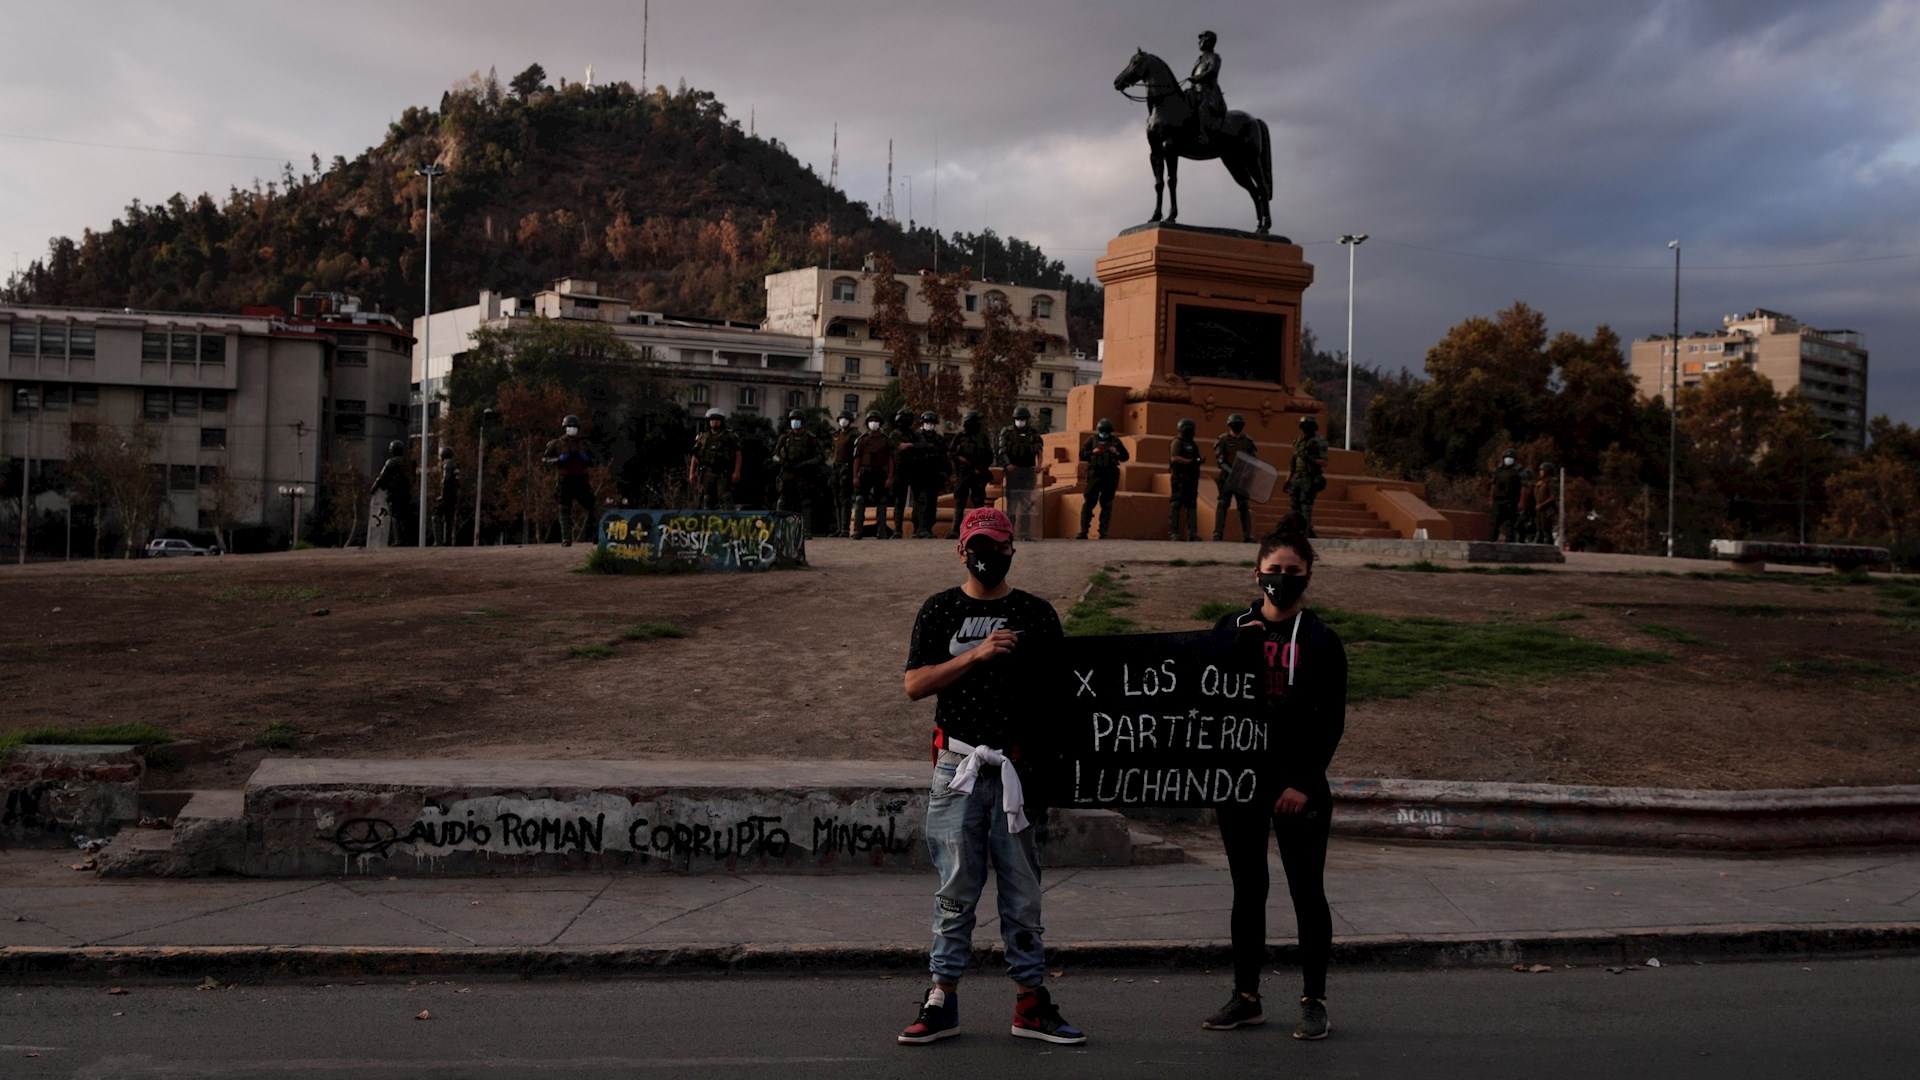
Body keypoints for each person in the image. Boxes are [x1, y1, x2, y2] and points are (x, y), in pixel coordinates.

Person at [899, 506, 1083, 1047]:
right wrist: (977, 655)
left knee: (1023, 893)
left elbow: (1065, 691)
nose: (987, 554)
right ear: (961, 550)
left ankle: (1030, 1001)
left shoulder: (1036, 613)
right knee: (955, 890)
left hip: (1019, 769)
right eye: (977, 544)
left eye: (997, 545)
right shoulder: (939, 610)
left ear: (1011, 550)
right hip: (957, 768)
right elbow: (914, 684)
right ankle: (941, 998)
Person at [1204, 526, 1347, 1041]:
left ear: (1307, 576)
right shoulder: (1230, 626)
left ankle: (1314, 1000)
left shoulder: (1320, 639)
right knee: (1248, 891)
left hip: (1298, 788)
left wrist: (1303, 782)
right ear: (1256, 571)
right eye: (1274, 569)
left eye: (1293, 572)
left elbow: (1330, 720)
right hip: (1241, 784)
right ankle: (1246, 997)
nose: (1281, 579)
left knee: (1307, 891)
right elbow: (1206, 703)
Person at [543, 414, 596, 545]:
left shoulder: (584, 444)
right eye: (569, 427)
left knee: (592, 506)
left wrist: (586, 458)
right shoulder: (556, 443)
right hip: (564, 479)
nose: (572, 429)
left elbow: (594, 461)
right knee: (564, 509)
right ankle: (566, 538)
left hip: (581, 479)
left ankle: (594, 535)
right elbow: (545, 460)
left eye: (574, 427)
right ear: (565, 428)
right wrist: (558, 460)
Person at [773, 409, 825, 536]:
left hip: (803, 474)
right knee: (783, 501)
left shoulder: (811, 438)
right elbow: (775, 454)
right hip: (787, 473)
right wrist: (780, 461)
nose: (794, 422)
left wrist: (806, 464)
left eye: (797, 420)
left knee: (805, 502)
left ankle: (806, 530)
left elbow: (819, 457)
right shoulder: (785, 438)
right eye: (792, 420)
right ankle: (780, 529)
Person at [998, 405, 1044, 542]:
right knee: (1011, 504)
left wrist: (1039, 465)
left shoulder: (1033, 433)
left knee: (1027, 504)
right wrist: (1007, 464)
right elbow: (1001, 451)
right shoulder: (1007, 432)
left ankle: (1024, 534)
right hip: (1013, 472)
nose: (1020, 421)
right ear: (1014, 419)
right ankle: (1009, 533)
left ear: (1027, 420)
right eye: (1018, 419)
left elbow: (1039, 451)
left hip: (1028, 471)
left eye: (1023, 419)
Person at [1077, 418, 1129, 539]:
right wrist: (1093, 452)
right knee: (1089, 502)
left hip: (1110, 475)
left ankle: (1103, 531)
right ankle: (1084, 530)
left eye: (1107, 432)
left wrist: (1116, 452)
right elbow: (1082, 455)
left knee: (1107, 504)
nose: (1104, 434)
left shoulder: (1115, 441)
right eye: (1103, 431)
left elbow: (1125, 456)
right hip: (1094, 474)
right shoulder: (1092, 440)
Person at [947, 410, 995, 536]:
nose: (979, 423)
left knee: (979, 501)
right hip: (963, 474)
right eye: (976, 421)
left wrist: (980, 468)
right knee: (960, 502)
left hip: (978, 473)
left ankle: (979, 529)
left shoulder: (983, 437)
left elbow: (990, 456)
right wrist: (959, 459)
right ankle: (955, 530)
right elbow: (951, 453)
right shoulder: (960, 437)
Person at [850, 410, 895, 539]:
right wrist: (855, 476)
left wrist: (890, 477)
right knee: (860, 500)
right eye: (871, 420)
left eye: (876, 421)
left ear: (880, 423)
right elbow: (857, 459)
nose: (873, 423)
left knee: (882, 501)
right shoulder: (862, 440)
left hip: (880, 472)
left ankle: (881, 531)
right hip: (865, 473)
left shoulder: (886, 440)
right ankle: (857, 530)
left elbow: (891, 460)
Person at [1213, 413, 1258, 542]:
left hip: (1242, 479)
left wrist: (1246, 473)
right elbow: (1220, 461)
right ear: (1229, 425)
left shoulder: (1247, 441)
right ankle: (1217, 534)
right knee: (1223, 505)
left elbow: (1253, 460)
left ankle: (1247, 535)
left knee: (1244, 506)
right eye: (1234, 424)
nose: (1236, 426)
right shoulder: (1223, 440)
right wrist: (1232, 472)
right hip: (1227, 478)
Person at [688, 408, 742, 511]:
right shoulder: (702, 437)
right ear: (708, 421)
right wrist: (692, 473)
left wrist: (737, 471)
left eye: (717, 419)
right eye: (712, 420)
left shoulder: (729, 436)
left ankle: (730, 522)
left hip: (723, 473)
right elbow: (695, 456)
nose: (714, 422)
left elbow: (738, 454)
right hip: (707, 472)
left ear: (722, 421)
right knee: (707, 499)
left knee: (726, 497)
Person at [1286, 416, 1330, 537]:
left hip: (1309, 477)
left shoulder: (1318, 442)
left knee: (1306, 505)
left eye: (1307, 426)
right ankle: (1296, 530)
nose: (1304, 428)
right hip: (1297, 477)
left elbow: (1324, 462)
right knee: (1294, 506)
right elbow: (1292, 463)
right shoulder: (1298, 441)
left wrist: (1311, 460)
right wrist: (1288, 480)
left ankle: (1305, 532)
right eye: (1303, 426)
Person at [912, 411, 953, 539]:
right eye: (927, 422)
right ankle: (919, 528)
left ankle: (928, 528)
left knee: (931, 503)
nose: (929, 425)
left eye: (931, 423)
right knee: (920, 502)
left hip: (934, 476)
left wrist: (948, 473)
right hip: (919, 475)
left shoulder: (939, 440)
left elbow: (945, 458)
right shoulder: (916, 437)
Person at [369, 439, 412, 547]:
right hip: (407, 492)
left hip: (395, 493)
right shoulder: (410, 461)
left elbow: (382, 477)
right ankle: (406, 539)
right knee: (406, 516)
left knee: (395, 516)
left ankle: (398, 540)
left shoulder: (391, 462)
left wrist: (374, 487)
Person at [1189, 30, 1227, 147]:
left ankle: (1204, 136)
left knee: (1202, 109)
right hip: (1196, 91)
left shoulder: (1214, 57)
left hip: (1209, 91)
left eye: (1201, 39)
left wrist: (1198, 78)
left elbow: (1212, 72)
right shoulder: (1199, 60)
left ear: (1208, 42)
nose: (1199, 42)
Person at [1168, 417, 1203, 541]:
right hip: (1179, 478)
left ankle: (1193, 533)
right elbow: (1175, 458)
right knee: (1176, 504)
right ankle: (1174, 532)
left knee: (1192, 506)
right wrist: (1190, 462)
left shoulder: (1193, 445)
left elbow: (1197, 459)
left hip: (1191, 479)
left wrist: (1197, 461)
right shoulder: (1177, 442)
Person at [888, 409, 919, 539]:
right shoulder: (894, 434)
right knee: (899, 501)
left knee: (917, 501)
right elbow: (893, 448)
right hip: (899, 471)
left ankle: (918, 529)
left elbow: (922, 444)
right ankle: (898, 529)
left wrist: (909, 445)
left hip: (913, 470)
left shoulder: (914, 434)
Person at [830, 410, 859, 537]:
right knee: (837, 499)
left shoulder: (854, 435)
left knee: (845, 498)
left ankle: (845, 529)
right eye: (841, 418)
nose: (843, 421)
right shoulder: (836, 435)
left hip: (847, 468)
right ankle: (839, 527)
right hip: (836, 468)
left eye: (845, 419)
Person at [1489, 448, 1524, 542]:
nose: (1508, 459)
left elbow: (1523, 487)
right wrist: (1491, 498)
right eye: (1507, 457)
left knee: (1510, 524)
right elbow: (1493, 484)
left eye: (1511, 457)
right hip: (1498, 499)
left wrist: (1521, 501)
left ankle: (1509, 544)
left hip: (1511, 500)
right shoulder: (1498, 470)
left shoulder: (1519, 471)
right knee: (1494, 523)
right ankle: (1491, 542)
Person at [433, 445, 460, 547]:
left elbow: (446, 481)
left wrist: (442, 496)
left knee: (436, 516)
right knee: (449, 519)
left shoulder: (447, 465)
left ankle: (438, 541)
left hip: (447, 495)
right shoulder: (456, 466)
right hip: (454, 496)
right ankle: (447, 541)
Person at [1532, 461, 1558, 545]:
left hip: (1547, 510)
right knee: (1539, 530)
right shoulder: (1540, 483)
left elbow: (1553, 497)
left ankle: (1549, 547)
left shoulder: (1551, 482)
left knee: (1547, 531)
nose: (1540, 472)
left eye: (1542, 470)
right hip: (1539, 510)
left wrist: (1542, 504)